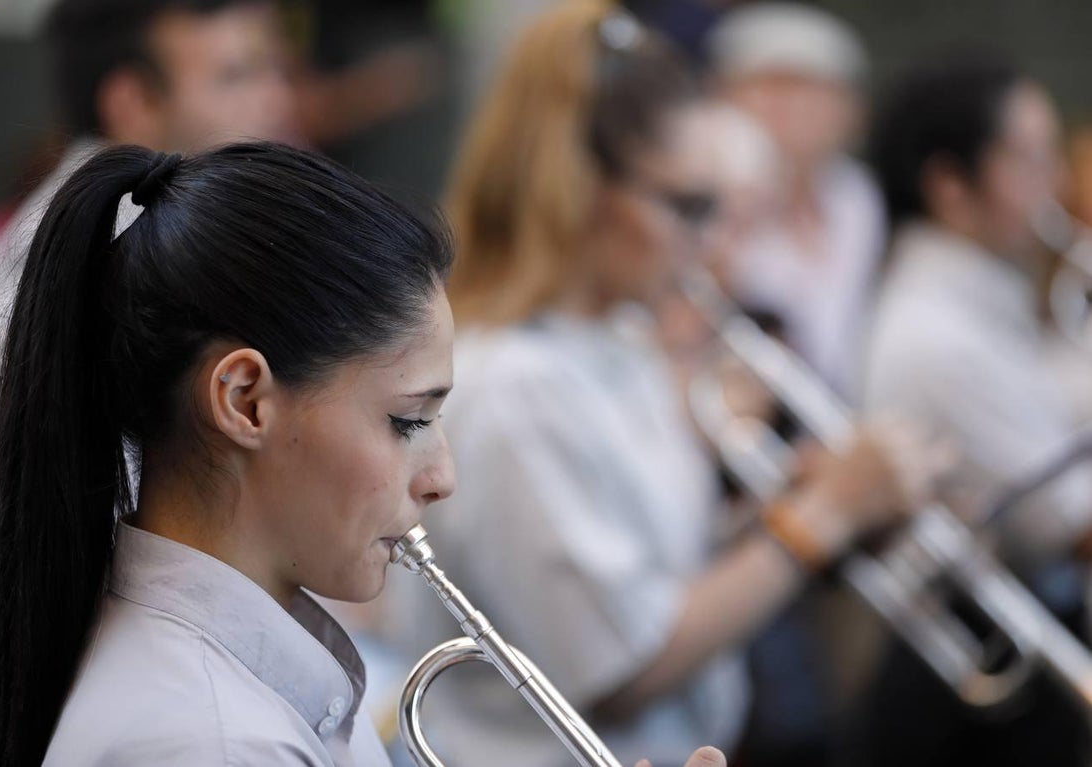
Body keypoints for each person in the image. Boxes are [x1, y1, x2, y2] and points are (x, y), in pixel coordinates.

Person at [0, 140, 727, 767]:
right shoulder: (209, 742)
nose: (442, 478)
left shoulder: (237, 686)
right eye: (406, 420)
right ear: (245, 400)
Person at [379, 4, 942, 766]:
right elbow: (620, 665)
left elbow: (652, 571)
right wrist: (820, 517)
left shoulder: (616, 341)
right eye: (689, 207)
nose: (709, 244)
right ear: (583, 190)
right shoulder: (515, 382)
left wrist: (789, 508)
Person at [0, 0, 301, 681]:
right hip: (75, 689)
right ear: (132, 102)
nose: (277, 102)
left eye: (274, 70)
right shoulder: (117, 263)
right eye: (237, 76)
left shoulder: (108, 227)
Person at [847, 50, 1092, 767]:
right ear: (950, 186)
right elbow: (1070, 524)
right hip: (979, 690)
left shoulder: (982, 299)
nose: (1056, 182)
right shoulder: (938, 333)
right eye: (1029, 157)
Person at [706, 2, 884, 400]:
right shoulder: (702, 209)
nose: (791, 108)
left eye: (812, 88)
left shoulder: (858, 198)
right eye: (770, 86)